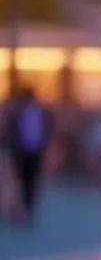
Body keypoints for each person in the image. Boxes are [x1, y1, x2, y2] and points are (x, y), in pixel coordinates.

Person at [1, 86, 53, 223]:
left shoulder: (41, 112)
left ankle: (26, 209)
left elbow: (46, 130)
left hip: (35, 151)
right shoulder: (16, 112)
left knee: (31, 181)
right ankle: (19, 209)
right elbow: (9, 131)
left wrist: (44, 146)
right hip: (20, 152)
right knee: (19, 181)